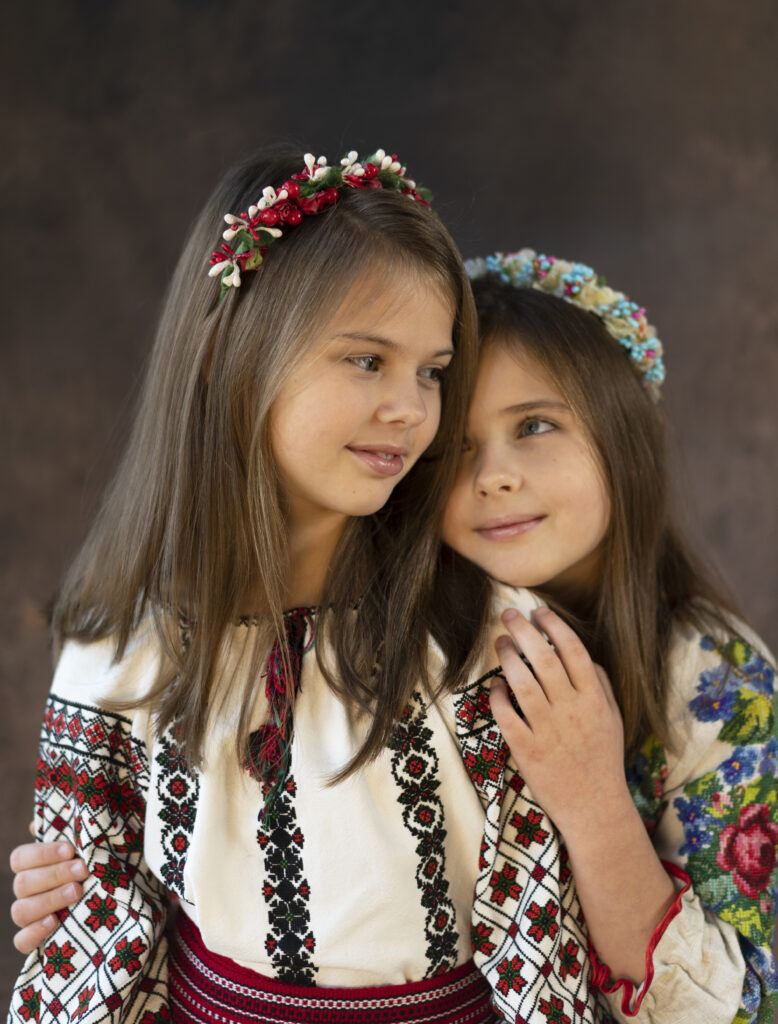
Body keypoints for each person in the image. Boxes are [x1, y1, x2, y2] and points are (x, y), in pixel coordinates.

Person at [6, 154, 603, 1024]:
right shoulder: (122, 644)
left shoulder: (477, 633)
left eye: (432, 371)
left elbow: (534, 928)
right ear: (226, 354)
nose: (409, 406)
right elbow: (91, 934)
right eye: (367, 360)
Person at [437, 250, 776, 1023]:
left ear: (621, 438)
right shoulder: (408, 643)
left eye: (534, 425)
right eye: (454, 447)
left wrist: (592, 801)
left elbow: (745, 1009)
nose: (492, 474)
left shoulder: (718, 687)